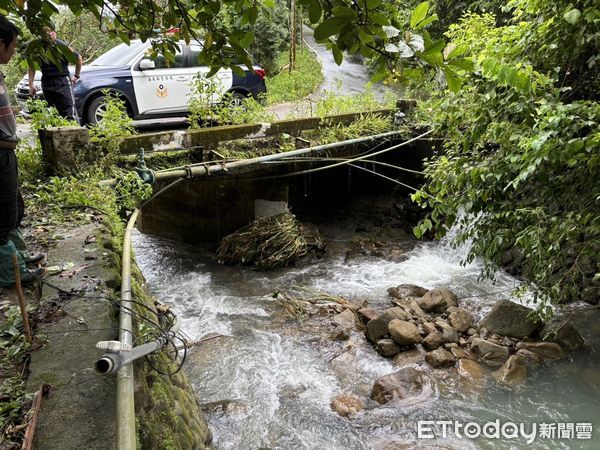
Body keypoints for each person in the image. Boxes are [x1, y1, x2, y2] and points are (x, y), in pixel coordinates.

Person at [0, 15, 46, 287]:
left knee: (13, 208)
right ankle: (10, 274)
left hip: (7, 151)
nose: (15, 51)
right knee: (2, 215)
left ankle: (17, 257)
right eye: (13, 45)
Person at [28, 25, 82, 123]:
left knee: (69, 114)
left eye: (51, 33)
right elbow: (31, 65)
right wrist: (31, 84)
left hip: (62, 81)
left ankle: (75, 136)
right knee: (51, 113)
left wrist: (76, 76)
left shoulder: (62, 46)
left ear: (54, 33)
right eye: (46, 34)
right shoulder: (38, 48)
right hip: (46, 82)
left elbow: (78, 58)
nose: (50, 35)